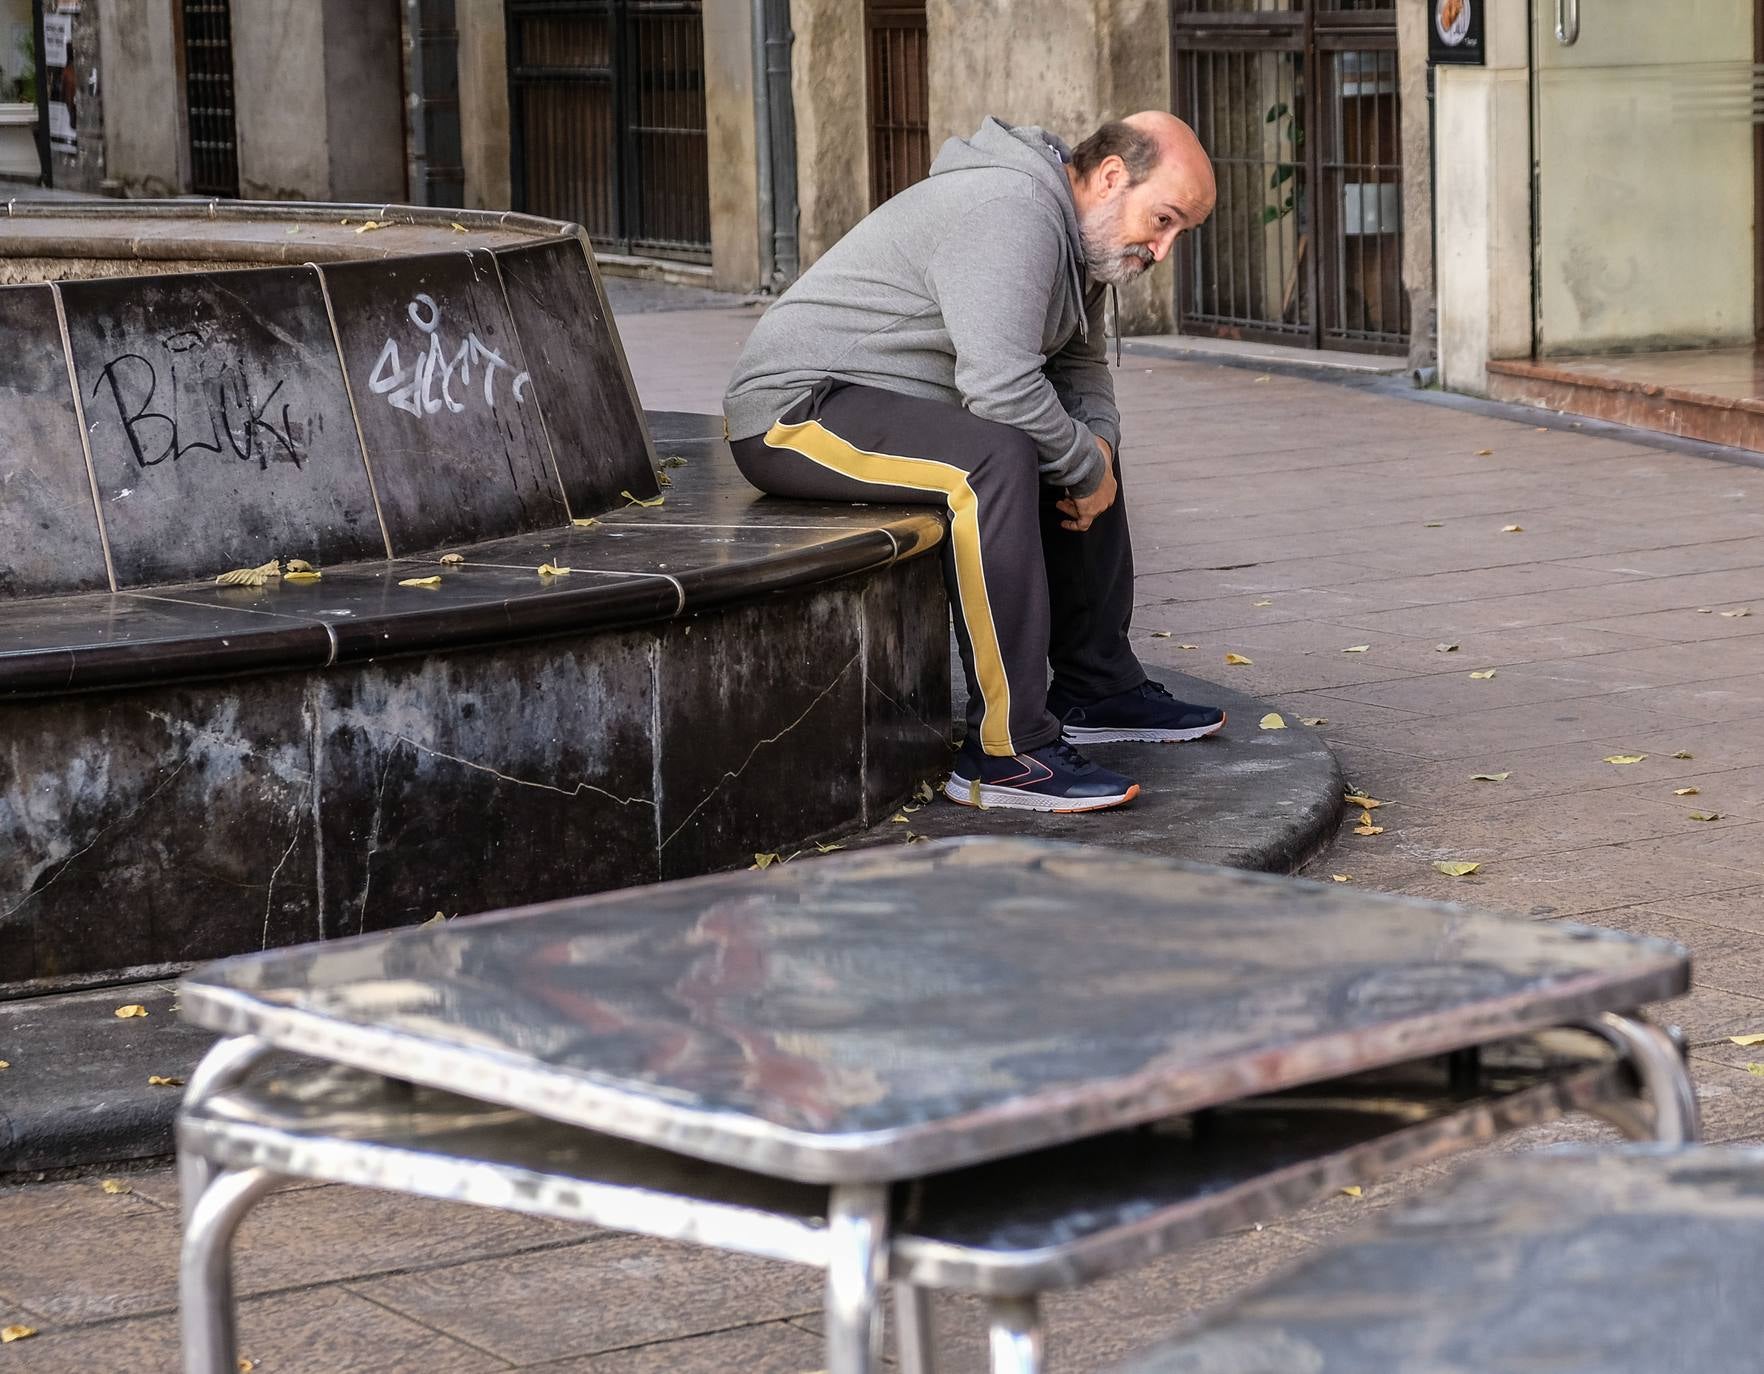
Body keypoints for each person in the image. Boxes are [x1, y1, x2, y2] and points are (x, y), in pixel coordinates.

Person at [723, 111, 1222, 814]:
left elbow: (1081, 377)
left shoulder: (1083, 242)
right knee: (996, 457)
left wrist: (1098, 454)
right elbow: (999, 387)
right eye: (1164, 219)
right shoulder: (1012, 211)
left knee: (1074, 443)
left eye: (1181, 233)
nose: (1164, 248)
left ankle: (1096, 685)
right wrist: (1085, 464)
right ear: (1112, 177)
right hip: (796, 413)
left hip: (890, 411)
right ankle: (1005, 752)